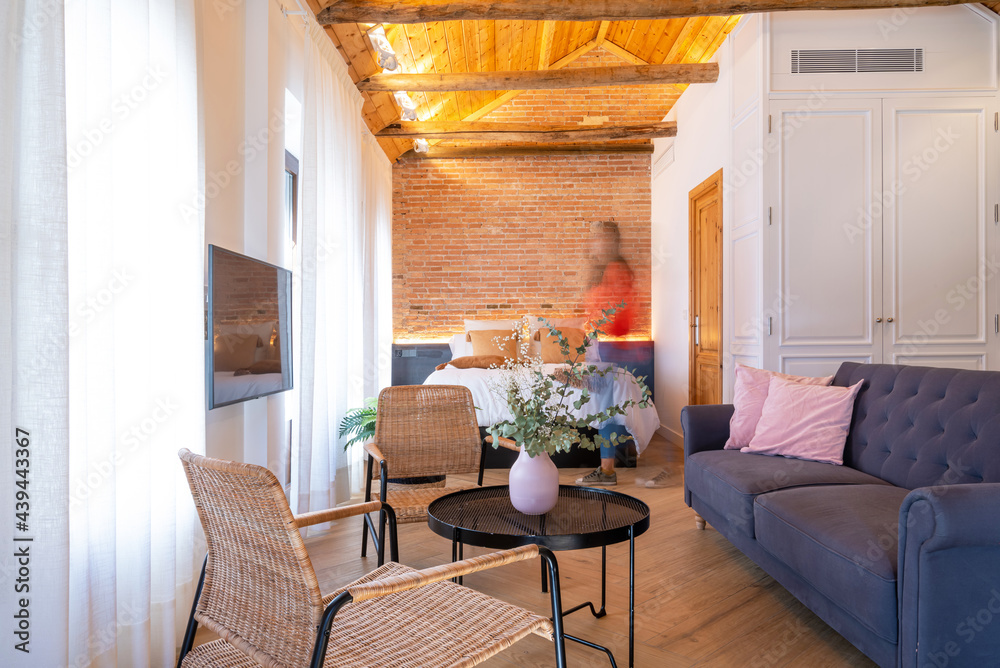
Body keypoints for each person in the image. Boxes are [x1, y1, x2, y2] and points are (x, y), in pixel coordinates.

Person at [575, 221, 667, 489]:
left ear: (611, 242)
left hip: (613, 352)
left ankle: (608, 471)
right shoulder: (602, 271)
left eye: (601, 239)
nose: (596, 244)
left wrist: (599, 318)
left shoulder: (616, 270)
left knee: (608, 412)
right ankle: (607, 470)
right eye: (594, 239)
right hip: (604, 350)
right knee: (607, 411)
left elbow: (621, 318)